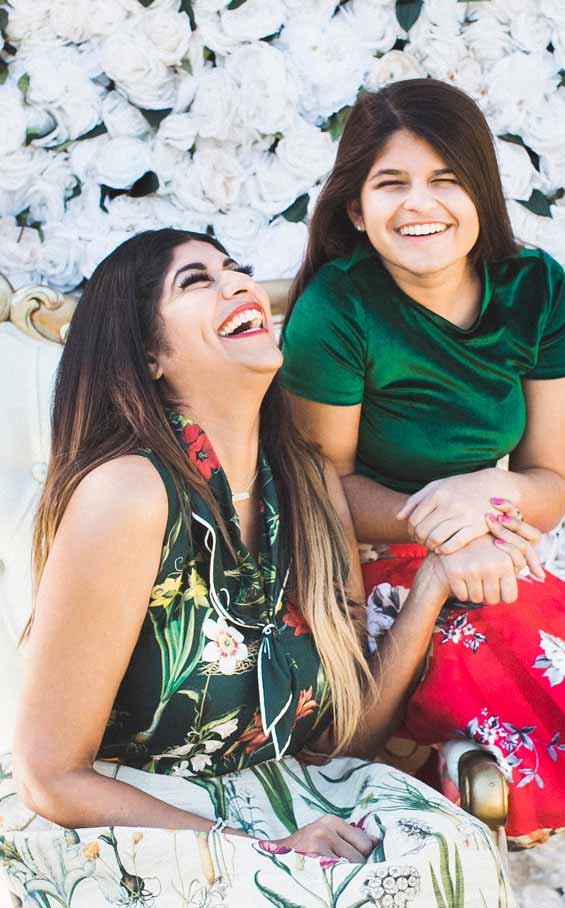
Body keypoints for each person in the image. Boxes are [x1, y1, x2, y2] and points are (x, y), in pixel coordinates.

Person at [0, 229, 520, 907]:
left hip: (281, 798)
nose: (238, 284)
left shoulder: (307, 484)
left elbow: (342, 740)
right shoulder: (130, 492)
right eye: (196, 281)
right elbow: (51, 776)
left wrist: (432, 584)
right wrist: (257, 848)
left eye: (235, 269)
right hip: (131, 822)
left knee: (445, 854)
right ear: (149, 354)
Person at [279, 78, 565, 840]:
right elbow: (321, 490)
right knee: (503, 647)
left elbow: (548, 483)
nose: (418, 204)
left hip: (495, 549)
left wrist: (482, 497)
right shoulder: (339, 308)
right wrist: (448, 526)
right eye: (391, 183)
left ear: (480, 192)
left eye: (445, 180)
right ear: (355, 209)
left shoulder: (534, 289)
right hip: (360, 572)